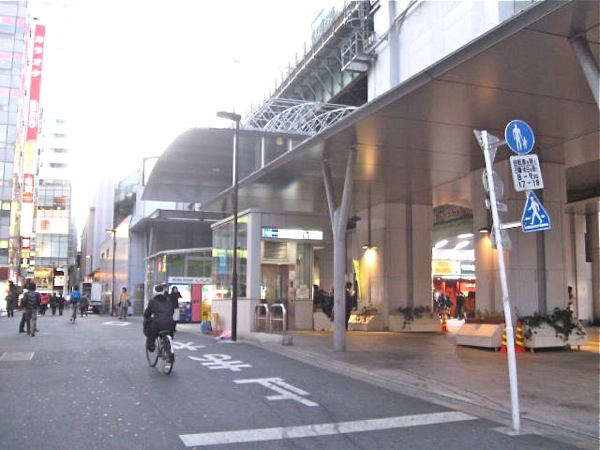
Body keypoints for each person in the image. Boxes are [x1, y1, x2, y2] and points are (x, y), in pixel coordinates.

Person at [143, 284, 175, 352]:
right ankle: (168, 343)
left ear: (154, 292)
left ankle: (151, 345)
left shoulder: (152, 301)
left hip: (158, 324)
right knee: (170, 331)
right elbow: (172, 311)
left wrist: (147, 318)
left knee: (150, 330)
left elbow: (147, 313)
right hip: (170, 323)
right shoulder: (168, 300)